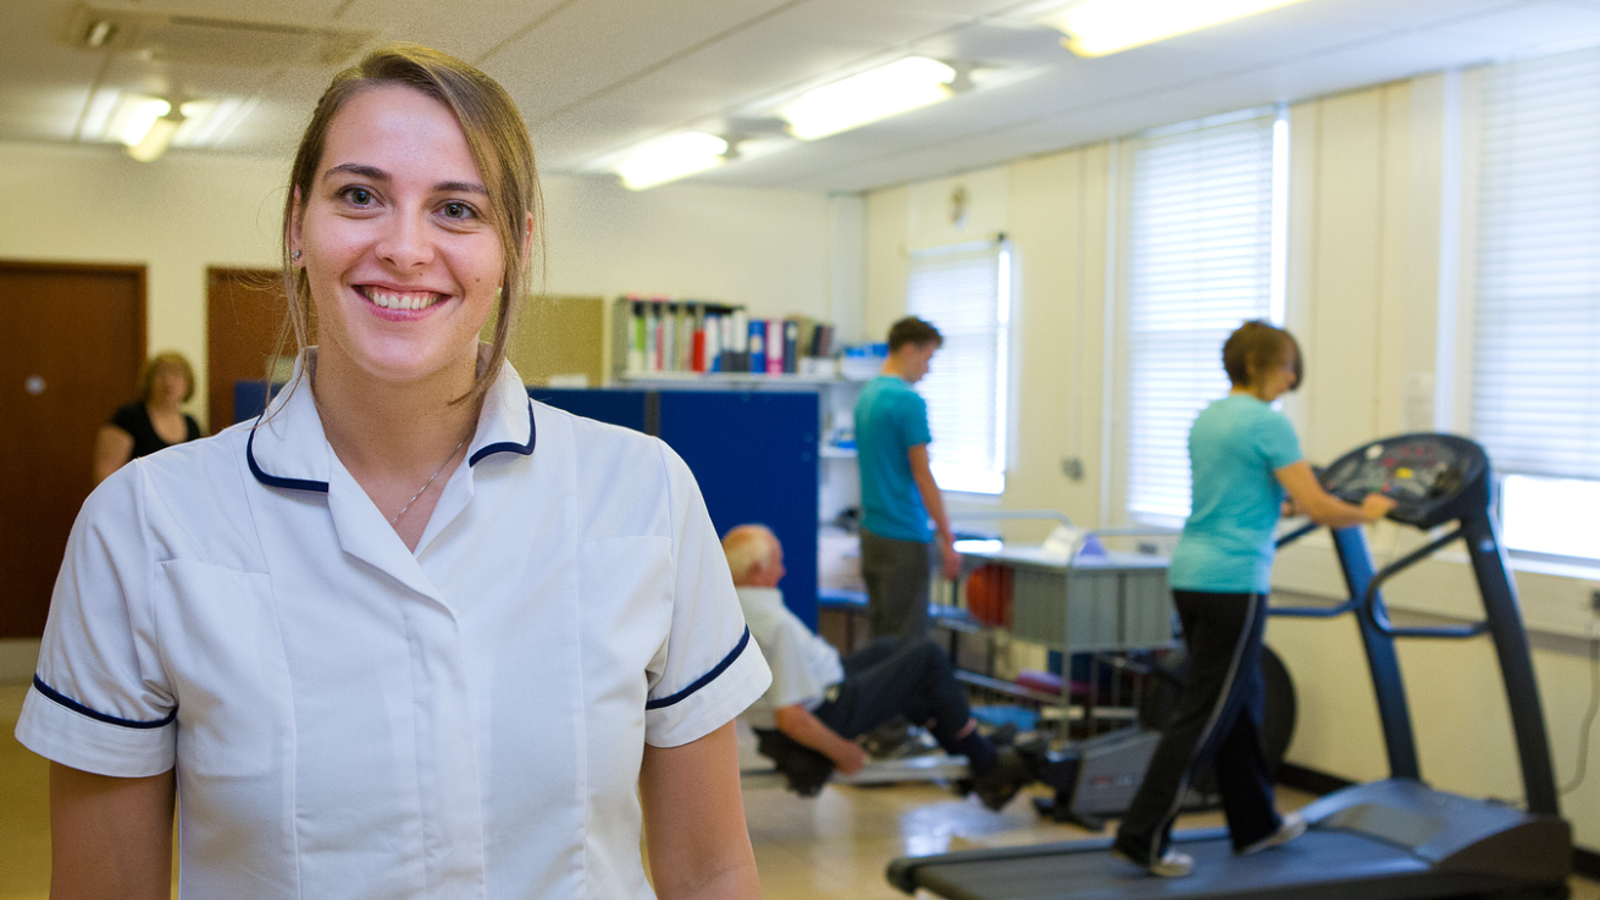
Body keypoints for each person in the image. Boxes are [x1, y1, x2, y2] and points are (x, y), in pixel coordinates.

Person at [17, 44, 770, 900]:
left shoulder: (643, 497)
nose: (405, 248)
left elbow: (710, 871)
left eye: (457, 208)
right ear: (299, 221)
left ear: (516, 245)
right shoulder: (144, 525)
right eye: (361, 195)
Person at [1111, 320, 1396, 878]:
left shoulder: (1210, 419)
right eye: (1287, 366)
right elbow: (1317, 505)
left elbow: (1242, 496)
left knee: (1241, 702)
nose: (1292, 378)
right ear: (1258, 365)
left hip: (1192, 573)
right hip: (1233, 583)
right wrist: (1369, 512)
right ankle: (1141, 835)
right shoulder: (1268, 425)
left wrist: (1287, 506)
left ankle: (1255, 824)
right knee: (1207, 713)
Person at [722, 524, 1031, 809]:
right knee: (927, 657)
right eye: (777, 563)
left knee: (891, 649)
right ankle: (984, 761)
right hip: (830, 710)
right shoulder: (775, 626)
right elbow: (790, 717)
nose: (783, 570)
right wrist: (843, 752)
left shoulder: (734, 609)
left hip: (824, 689)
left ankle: (966, 749)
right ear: (756, 570)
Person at [853, 316, 961, 642]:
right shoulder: (908, 400)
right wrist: (946, 535)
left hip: (872, 533)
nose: (927, 369)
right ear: (910, 350)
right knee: (907, 645)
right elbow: (922, 473)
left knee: (881, 634)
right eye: (928, 357)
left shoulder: (866, 396)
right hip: (904, 535)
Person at [91, 350, 204, 485]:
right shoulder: (129, 417)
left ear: (188, 384)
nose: (169, 383)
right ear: (149, 380)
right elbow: (106, 474)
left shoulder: (192, 425)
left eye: (177, 375)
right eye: (161, 375)